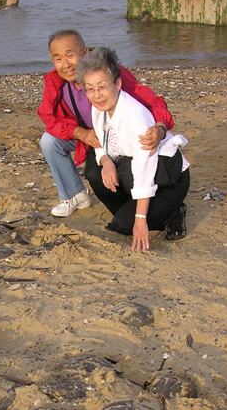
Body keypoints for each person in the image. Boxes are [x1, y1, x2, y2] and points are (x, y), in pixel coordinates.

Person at [37, 30, 174, 217]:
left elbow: (153, 102)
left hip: (115, 136)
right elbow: (47, 116)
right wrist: (80, 133)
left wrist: (160, 128)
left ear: (84, 52)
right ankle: (74, 195)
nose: (66, 64)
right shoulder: (55, 82)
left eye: (70, 55)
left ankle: (143, 204)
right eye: (58, 58)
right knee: (48, 141)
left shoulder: (109, 73)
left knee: (113, 173)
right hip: (87, 137)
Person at [76, 47, 190, 253]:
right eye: (90, 89)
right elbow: (102, 142)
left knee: (124, 223)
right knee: (94, 170)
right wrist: (106, 161)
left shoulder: (135, 115)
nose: (96, 95)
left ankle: (173, 211)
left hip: (168, 175)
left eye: (102, 87)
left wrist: (139, 219)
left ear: (118, 83)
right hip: (129, 168)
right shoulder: (97, 107)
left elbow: (144, 168)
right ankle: (139, 209)